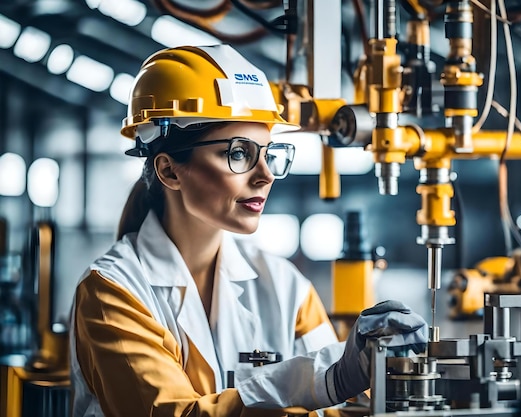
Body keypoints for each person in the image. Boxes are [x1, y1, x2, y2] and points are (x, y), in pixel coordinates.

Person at [69, 44, 428, 417]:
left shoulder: (285, 287)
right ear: (169, 171)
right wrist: (328, 378)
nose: (266, 175)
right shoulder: (112, 291)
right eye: (239, 153)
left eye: (268, 153)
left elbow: (334, 409)